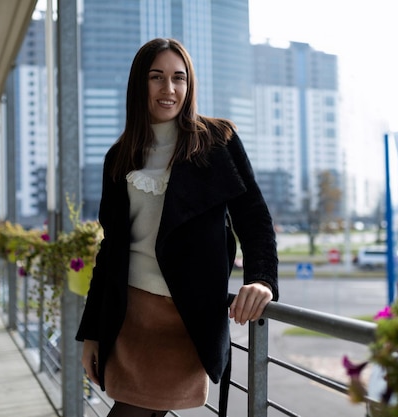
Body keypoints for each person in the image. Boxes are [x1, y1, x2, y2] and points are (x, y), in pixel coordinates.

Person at [76, 38, 279, 417]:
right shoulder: (119, 157)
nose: (169, 89)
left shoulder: (218, 142)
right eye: (157, 77)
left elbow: (254, 218)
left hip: (185, 319)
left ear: (189, 85)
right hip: (129, 318)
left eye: (178, 78)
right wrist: (91, 333)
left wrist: (262, 280)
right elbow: (111, 250)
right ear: (140, 84)